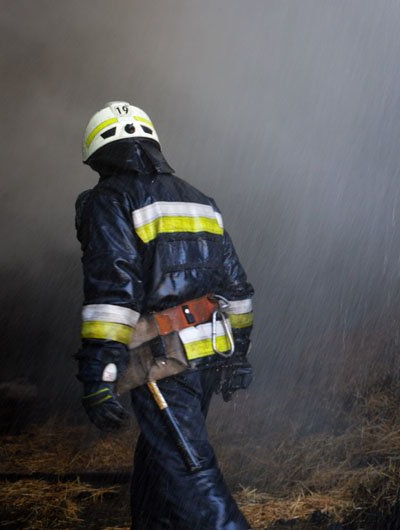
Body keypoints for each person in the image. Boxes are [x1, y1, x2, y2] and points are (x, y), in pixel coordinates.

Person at [75, 101, 255, 529]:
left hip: (163, 364)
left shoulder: (108, 200)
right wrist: (237, 356)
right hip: (207, 355)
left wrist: (100, 376)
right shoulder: (199, 200)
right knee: (160, 467)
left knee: (192, 479)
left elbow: (113, 296)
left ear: (99, 155)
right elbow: (238, 292)